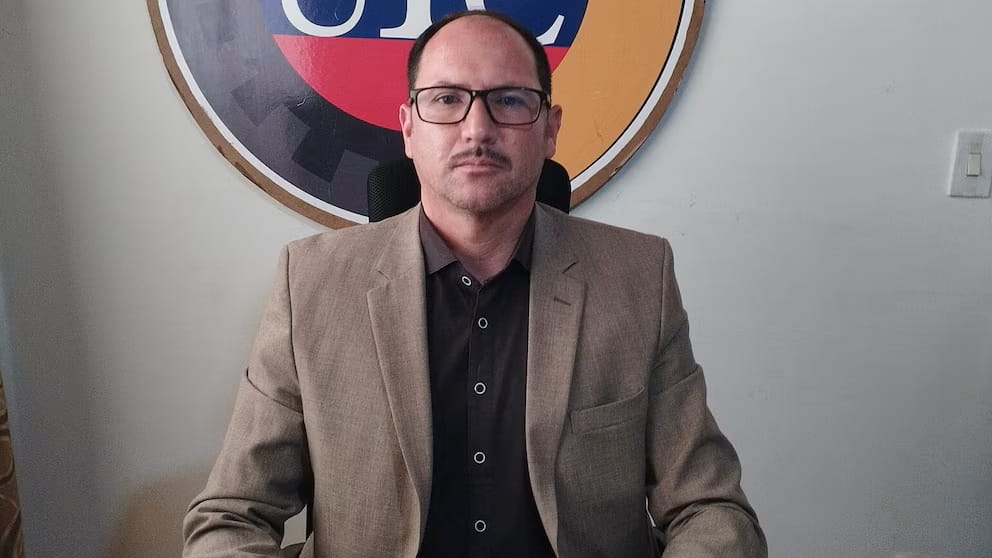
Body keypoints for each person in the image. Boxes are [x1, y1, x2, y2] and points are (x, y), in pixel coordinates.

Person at [183, 10, 766, 557]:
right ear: (408, 129)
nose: (477, 129)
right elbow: (231, 517)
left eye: (509, 100)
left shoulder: (637, 279)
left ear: (550, 130)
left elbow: (710, 509)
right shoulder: (311, 284)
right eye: (447, 100)